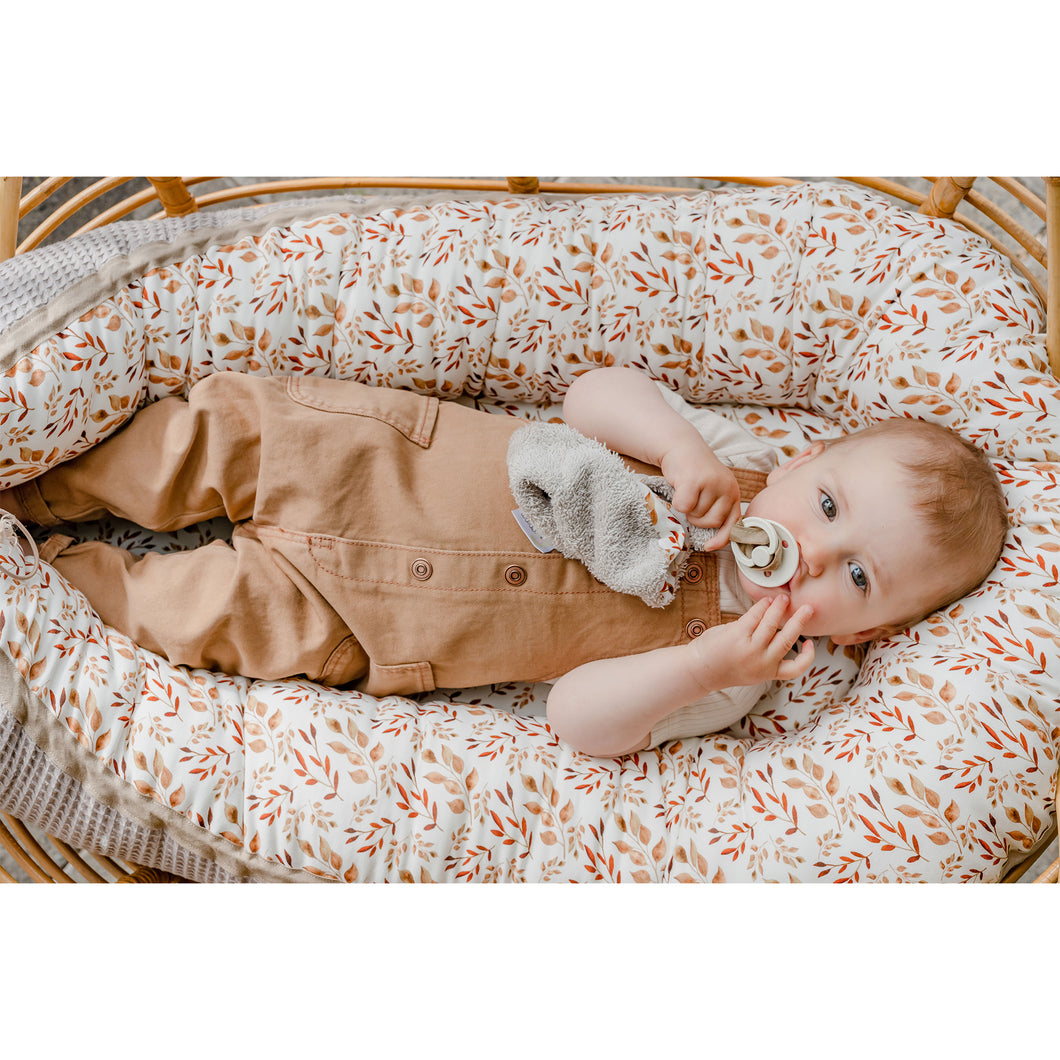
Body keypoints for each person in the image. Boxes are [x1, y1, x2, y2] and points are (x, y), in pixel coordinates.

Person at [0, 367, 1007, 757]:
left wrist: (706, 665)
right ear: (797, 463)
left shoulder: (733, 677)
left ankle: (36, 580)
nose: (812, 553)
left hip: (368, 621)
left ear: (868, 633)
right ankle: (40, 485)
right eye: (825, 506)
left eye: (857, 577)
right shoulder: (722, 463)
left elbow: (577, 718)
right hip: (375, 464)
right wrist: (675, 446)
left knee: (196, 613)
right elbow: (588, 396)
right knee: (218, 435)